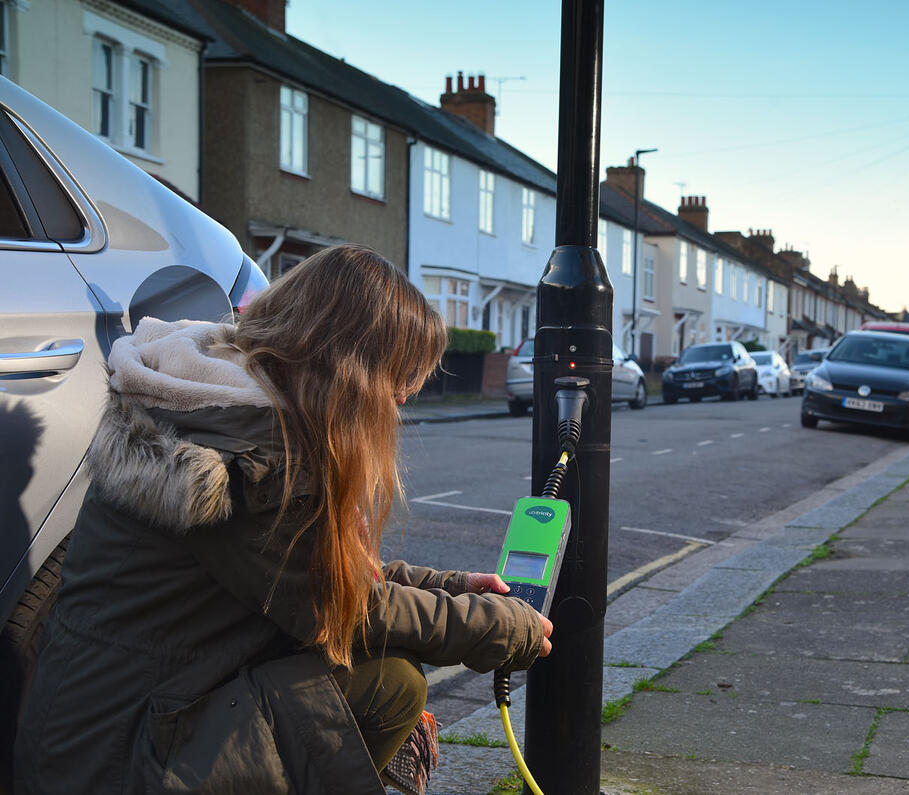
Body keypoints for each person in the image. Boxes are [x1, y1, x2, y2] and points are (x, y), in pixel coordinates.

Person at [13, 245, 552, 794]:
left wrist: (452, 586)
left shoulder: (215, 400)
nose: (396, 406)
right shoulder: (258, 457)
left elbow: (312, 569)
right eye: (395, 383)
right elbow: (343, 608)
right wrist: (503, 628)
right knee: (391, 687)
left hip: (83, 730)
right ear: (349, 369)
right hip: (116, 764)